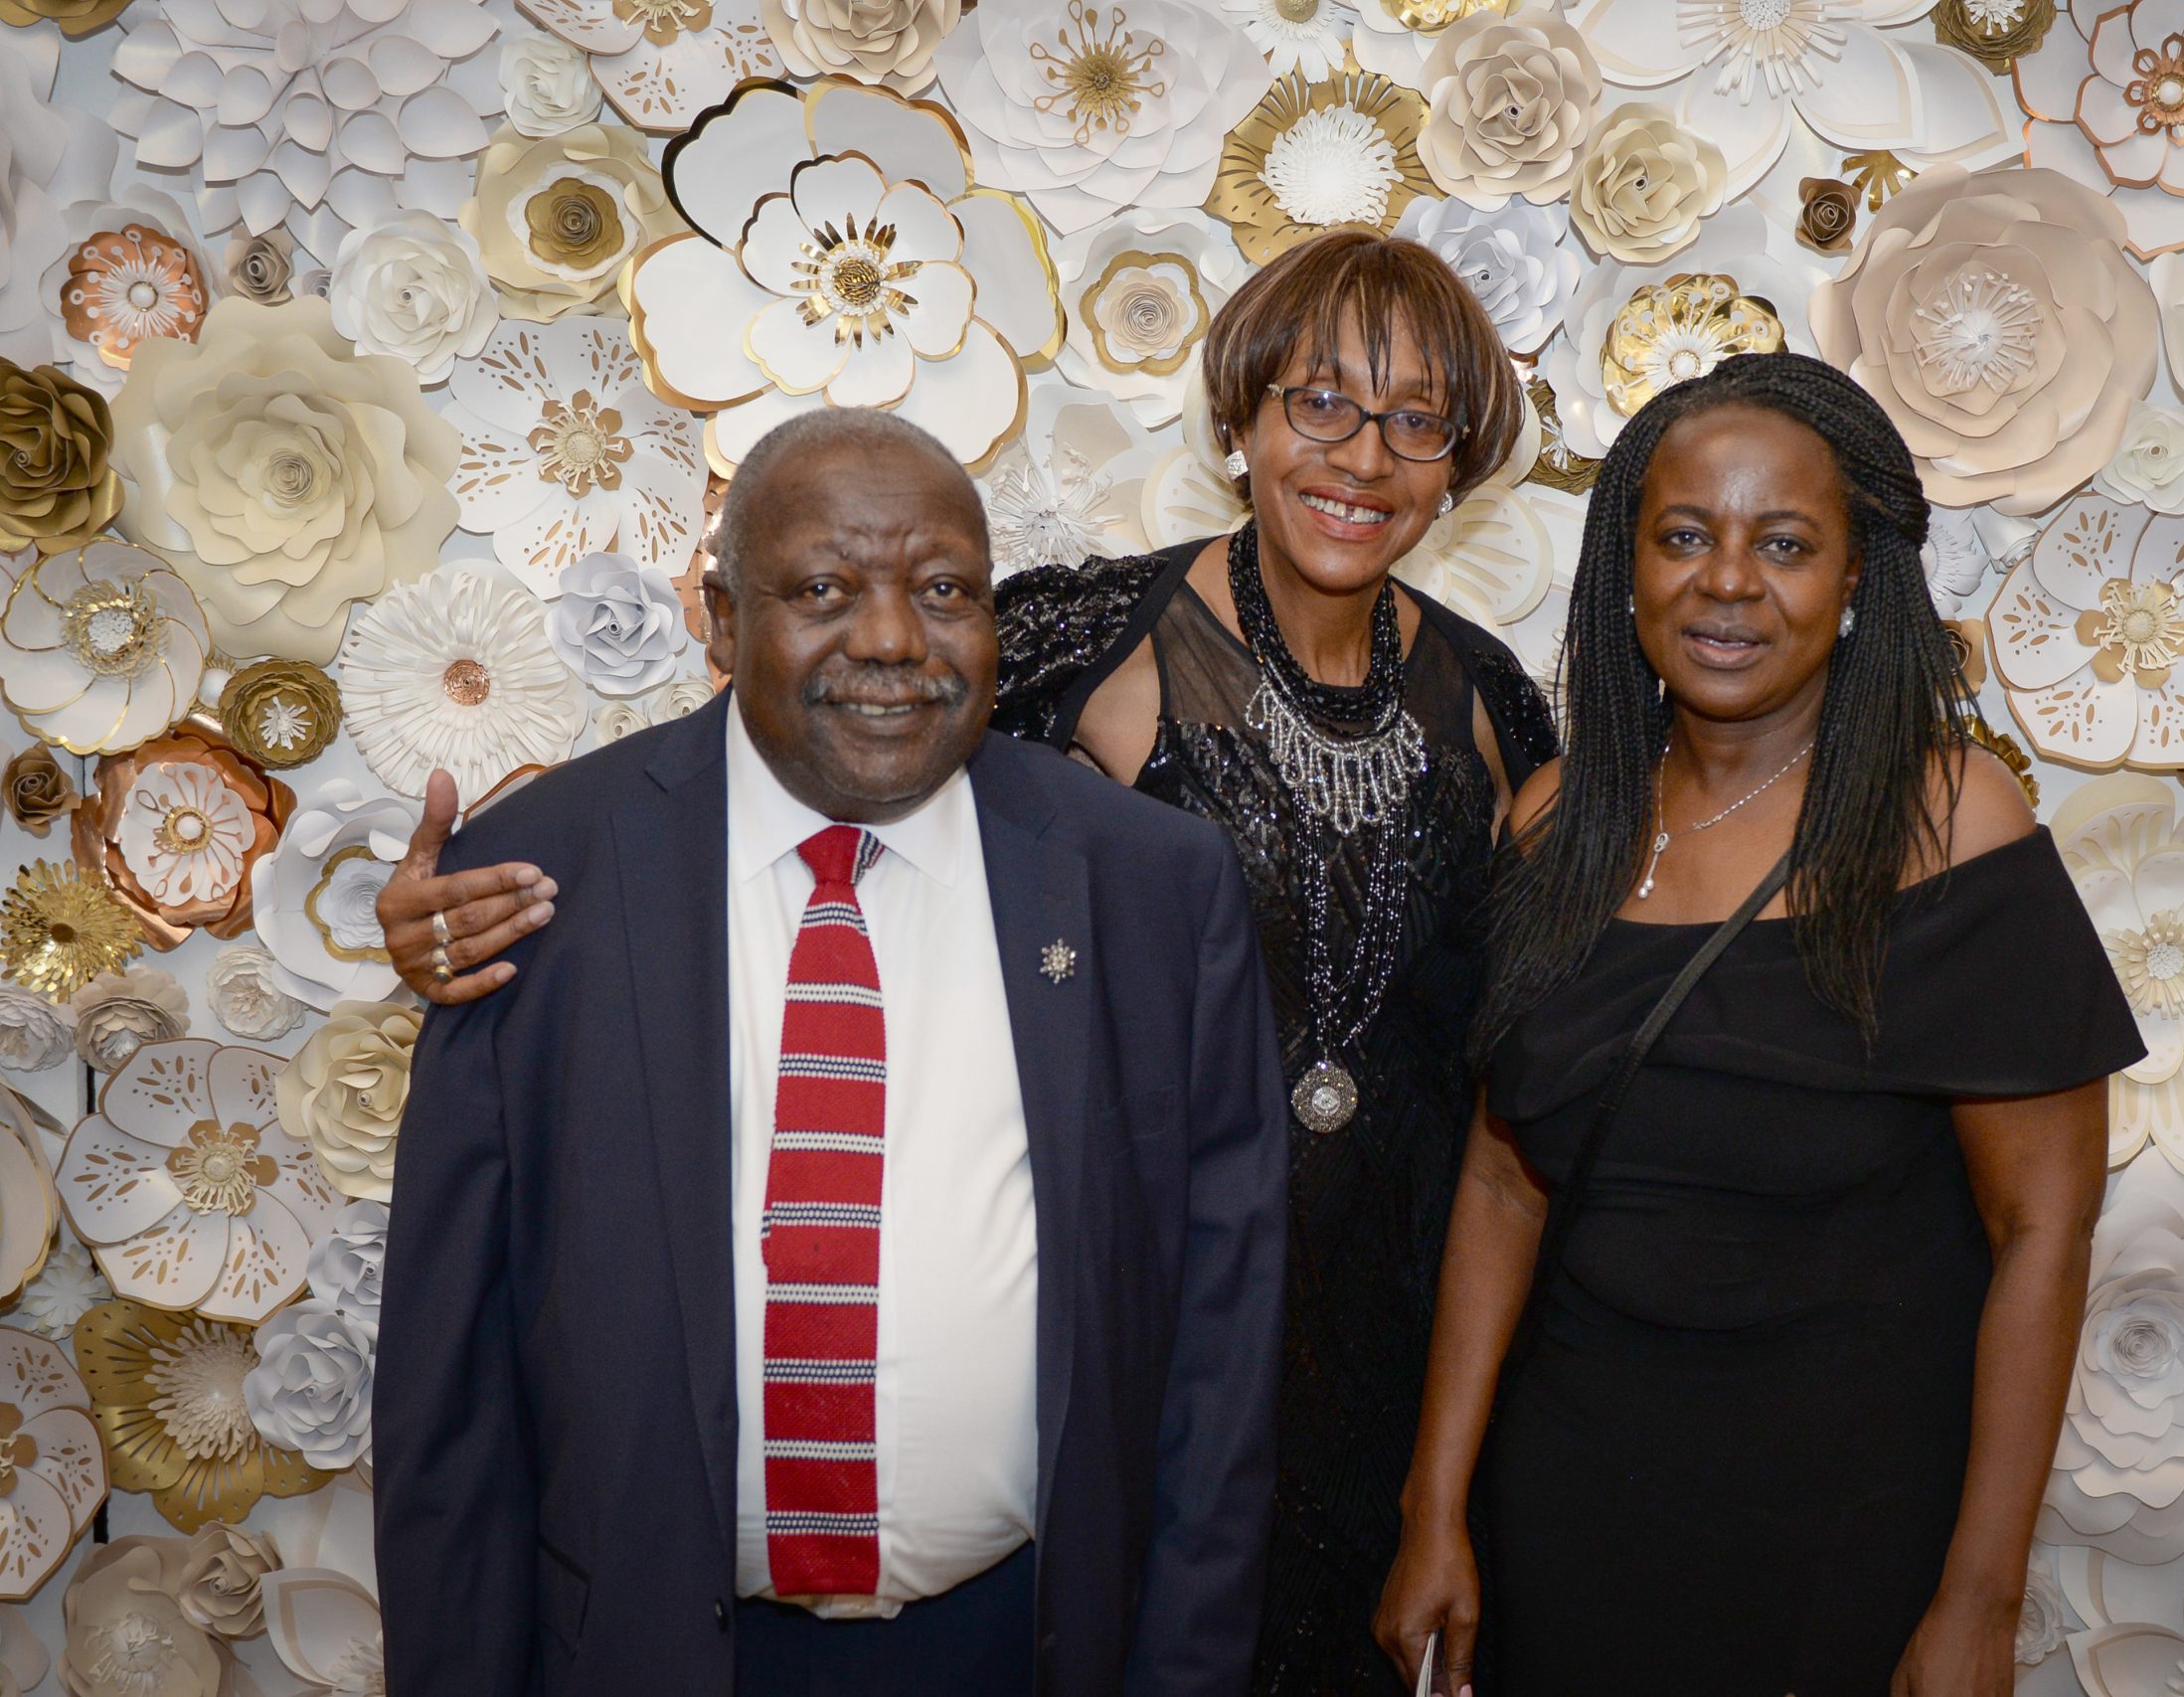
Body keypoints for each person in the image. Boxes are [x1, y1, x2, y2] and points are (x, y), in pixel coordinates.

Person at [379, 230, 1557, 1695]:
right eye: (1320, 400)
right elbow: (452, 1391)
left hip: (1319, 1351)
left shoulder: (1485, 703)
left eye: (1416, 419)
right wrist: (448, 914)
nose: (896, 638)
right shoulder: (1077, 652)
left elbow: (1537, 1012)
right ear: (1242, 416)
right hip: (681, 1622)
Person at [373, 410, 1290, 1697]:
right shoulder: (534, 883)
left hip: (1027, 1646)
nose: (893, 640)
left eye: (945, 590)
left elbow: (1221, 1350)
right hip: (651, 1654)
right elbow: (450, 1390)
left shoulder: (1147, 886)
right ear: (720, 617)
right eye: (822, 590)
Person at [1374, 354, 2144, 1696]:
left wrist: (1980, 1600)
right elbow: (1502, 1182)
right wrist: (1433, 1508)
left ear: (1854, 579)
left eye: (1784, 544)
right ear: (1629, 568)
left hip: (1842, 1533)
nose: (1727, 582)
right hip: (1568, 1508)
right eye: (1684, 536)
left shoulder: (1945, 825)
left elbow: (2045, 1230)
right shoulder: (1555, 821)